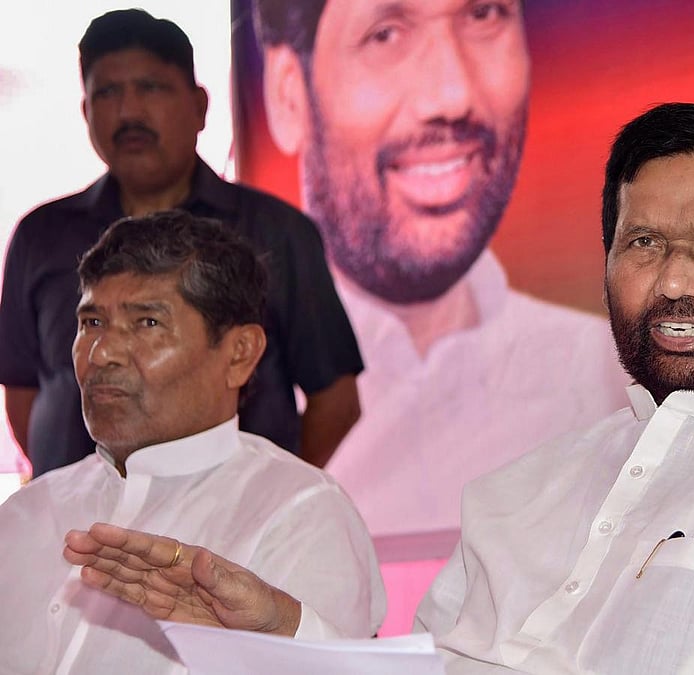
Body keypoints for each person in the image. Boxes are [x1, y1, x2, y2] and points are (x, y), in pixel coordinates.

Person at [72, 104, 694, 673]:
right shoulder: (518, 492)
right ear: (607, 265)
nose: (675, 281)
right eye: (643, 242)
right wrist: (283, 636)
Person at [249, 0, 630, 535]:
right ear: (290, 94)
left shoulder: (613, 378)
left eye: (483, 16)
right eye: (385, 34)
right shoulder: (233, 384)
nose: (452, 95)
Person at [0, 211, 384, 675]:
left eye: (146, 323)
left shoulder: (300, 513)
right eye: (92, 322)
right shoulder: (25, 513)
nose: (102, 354)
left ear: (239, 353)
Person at [0, 9, 362, 477]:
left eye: (151, 88)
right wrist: (78, 489)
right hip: (77, 533)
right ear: (87, 112)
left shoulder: (275, 231)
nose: (129, 112)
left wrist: (269, 499)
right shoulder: (42, 234)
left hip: (230, 537)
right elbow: (24, 391)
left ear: (200, 107)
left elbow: (335, 400)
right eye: (107, 92)